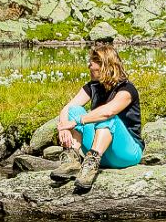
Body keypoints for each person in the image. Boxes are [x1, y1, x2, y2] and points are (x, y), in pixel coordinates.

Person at [51, 41, 144, 194]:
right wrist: (63, 127)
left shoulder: (127, 90)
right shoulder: (92, 86)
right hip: (103, 154)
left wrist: (75, 122)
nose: (89, 66)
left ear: (104, 65)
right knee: (74, 110)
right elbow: (67, 108)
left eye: (92, 63)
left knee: (107, 117)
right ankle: (72, 161)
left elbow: (107, 112)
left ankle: (90, 166)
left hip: (126, 153)